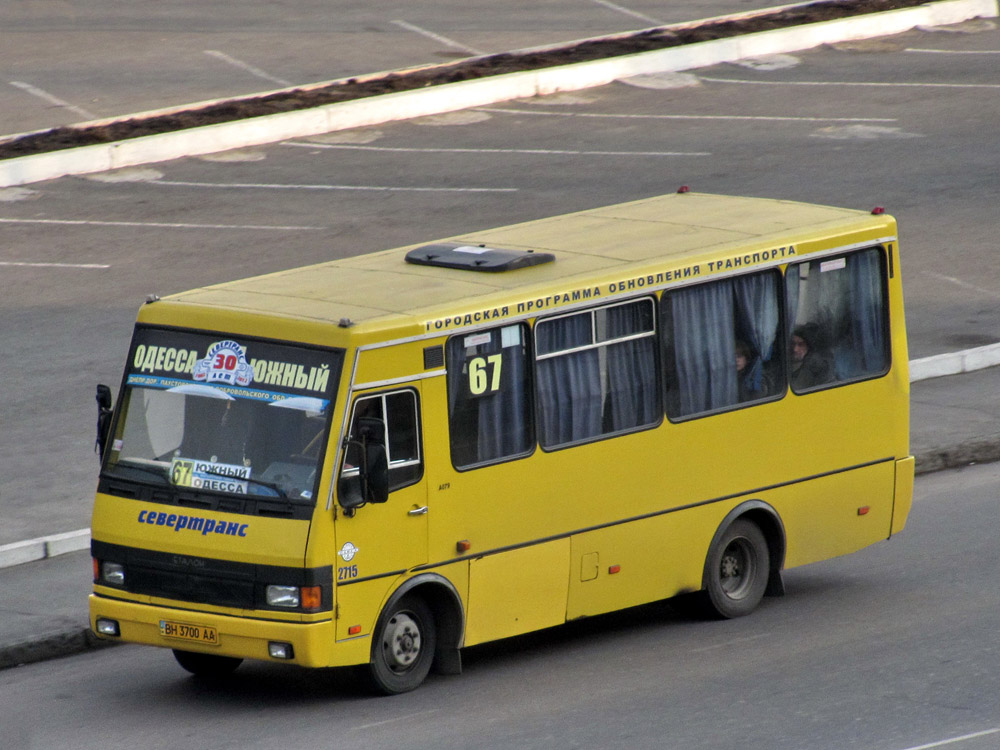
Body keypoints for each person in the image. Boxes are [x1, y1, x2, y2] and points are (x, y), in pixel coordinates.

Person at [790, 323, 833, 390]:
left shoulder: (818, 367)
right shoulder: (783, 362)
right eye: (793, 344)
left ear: (808, 346)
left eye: (801, 345)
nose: (795, 349)